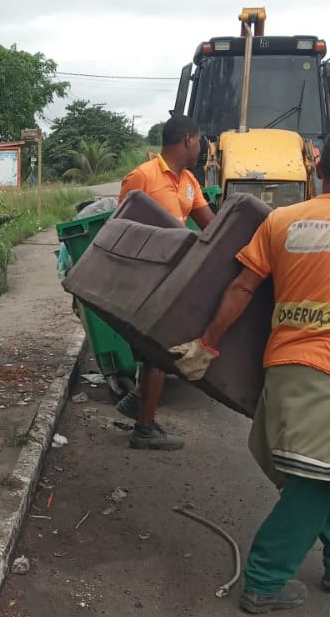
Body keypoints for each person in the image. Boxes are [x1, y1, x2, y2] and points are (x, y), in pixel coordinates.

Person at [170, 127, 330, 614]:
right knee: (319, 480)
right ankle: (264, 578)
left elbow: (241, 290)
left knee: (323, 471)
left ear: (318, 170)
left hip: (283, 367)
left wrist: (207, 345)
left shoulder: (282, 221)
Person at [115, 115, 215, 450]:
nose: (202, 149)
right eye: (200, 141)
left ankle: (138, 405)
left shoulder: (189, 182)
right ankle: (143, 429)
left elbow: (209, 224)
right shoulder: (142, 177)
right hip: (145, 277)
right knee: (160, 349)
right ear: (187, 139)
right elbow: (120, 229)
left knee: (157, 350)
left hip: (173, 277)